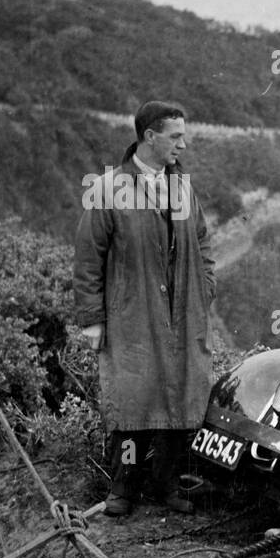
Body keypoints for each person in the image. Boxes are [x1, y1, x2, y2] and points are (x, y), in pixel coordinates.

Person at [73, 101, 216, 516]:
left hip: (183, 314)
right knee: (134, 402)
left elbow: (203, 240)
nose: (183, 145)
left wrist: (205, 289)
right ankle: (123, 488)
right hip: (132, 315)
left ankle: (165, 485)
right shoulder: (109, 189)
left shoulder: (182, 187)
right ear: (149, 137)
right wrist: (93, 320)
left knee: (179, 396)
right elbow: (88, 257)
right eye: (175, 136)